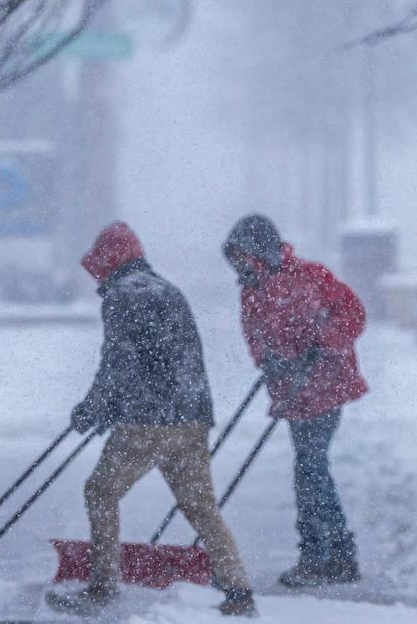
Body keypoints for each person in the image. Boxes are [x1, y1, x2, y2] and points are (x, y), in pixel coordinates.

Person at [46, 221, 257, 618]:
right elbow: (176, 358)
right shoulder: (169, 289)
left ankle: (103, 587)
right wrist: (110, 407)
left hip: (148, 420)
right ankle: (238, 588)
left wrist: (94, 408)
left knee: (100, 491)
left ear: (109, 260)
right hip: (192, 418)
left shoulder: (123, 296)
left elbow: (118, 362)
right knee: (199, 506)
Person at [222, 214, 367, 588]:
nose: (239, 265)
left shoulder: (310, 276)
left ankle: (320, 557)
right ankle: (338, 554)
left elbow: (353, 314)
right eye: (234, 257)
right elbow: (253, 334)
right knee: (312, 471)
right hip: (293, 390)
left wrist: (325, 341)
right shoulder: (251, 289)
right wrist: (269, 361)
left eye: (243, 256)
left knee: (310, 471)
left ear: (259, 251)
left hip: (325, 385)